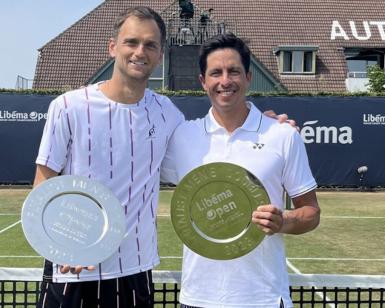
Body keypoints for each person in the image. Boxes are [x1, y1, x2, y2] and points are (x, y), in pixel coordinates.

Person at [33, 6, 184, 307]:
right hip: (72, 275)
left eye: (150, 45)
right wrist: (64, 244)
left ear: (160, 56)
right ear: (113, 47)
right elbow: (43, 187)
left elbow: (213, 144)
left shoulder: (168, 113)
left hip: (135, 272)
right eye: (132, 42)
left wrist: (264, 125)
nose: (140, 51)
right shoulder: (67, 107)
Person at [161, 33, 320, 307]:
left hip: (264, 299)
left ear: (248, 77)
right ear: (203, 82)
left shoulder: (282, 135)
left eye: (233, 71)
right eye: (216, 73)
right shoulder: (182, 137)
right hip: (198, 298)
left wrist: (284, 220)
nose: (225, 81)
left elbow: (311, 213)